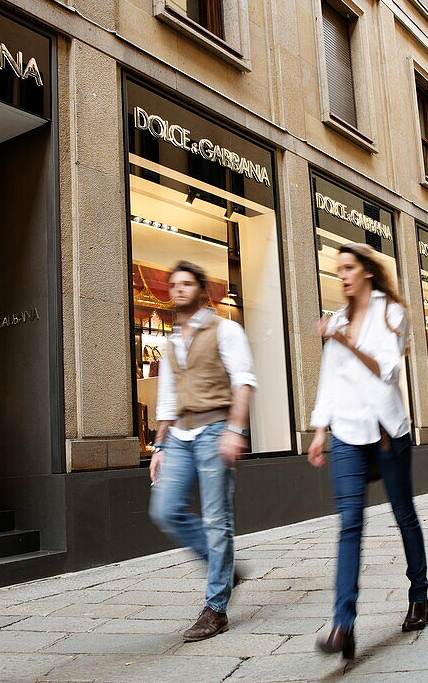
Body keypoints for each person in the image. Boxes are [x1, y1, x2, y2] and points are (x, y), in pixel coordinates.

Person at [308, 243, 428, 661]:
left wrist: (343, 337)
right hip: (345, 432)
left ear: (367, 272)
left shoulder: (392, 314)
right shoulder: (339, 319)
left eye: (348, 268)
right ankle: (344, 624)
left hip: (386, 432)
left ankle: (419, 595)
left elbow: (388, 368)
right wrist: (319, 430)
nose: (341, 275)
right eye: (338, 269)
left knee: (403, 514)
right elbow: (330, 378)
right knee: (349, 525)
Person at [148, 261, 256, 642]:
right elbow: (167, 397)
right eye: (173, 284)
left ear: (201, 290)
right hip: (179, 433)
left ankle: (216, 608)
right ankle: (220, 564)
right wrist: (159, 445)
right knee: (164, 509)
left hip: (214, 429)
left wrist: (234, 430)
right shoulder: (172, 340)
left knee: (216, 520)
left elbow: (244, 381)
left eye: (186, 284)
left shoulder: (226, 329)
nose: (177, 289)